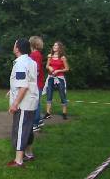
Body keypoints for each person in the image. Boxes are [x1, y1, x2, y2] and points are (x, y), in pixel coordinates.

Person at [7, 38, 39, 168]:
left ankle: (18, 160)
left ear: (18, 48)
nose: (13, 46)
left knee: (20, 129)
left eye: (14, 44)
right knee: (28, 128)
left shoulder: (20, 63)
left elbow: (23, 86)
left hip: (24, 103)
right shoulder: (30, 61)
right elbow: (28, 81)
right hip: (31, 101)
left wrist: (15, 104)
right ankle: (29, 153)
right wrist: (11, 90)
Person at [43, 41, 70, 120]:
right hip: (51, 77)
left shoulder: (62, 57)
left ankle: (64, 113)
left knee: (62, 95)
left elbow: (67, 69)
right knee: (49, 94)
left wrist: (58, 71)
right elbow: (47, 66)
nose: (54, 46)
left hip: (60, 78)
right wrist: (50, 67)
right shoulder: (50, 56)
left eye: (56, 45)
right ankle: (48, 113)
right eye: (54, 45)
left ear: (60, 47)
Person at [29, 36, 45, 131]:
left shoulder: (35, 55)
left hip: (36, 83)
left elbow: (37, 70)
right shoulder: (37, 54)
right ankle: (39, 120)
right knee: (37, 102)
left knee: (35, 103)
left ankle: (35, 124)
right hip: (38, 82)